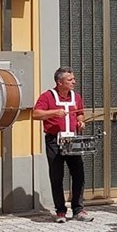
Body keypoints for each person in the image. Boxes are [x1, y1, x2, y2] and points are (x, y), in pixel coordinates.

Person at [32, 67, 93, 223]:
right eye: (70, 79)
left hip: (72, 139)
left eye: (73, 79)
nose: (74, 81)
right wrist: (53, 112)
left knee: (78, 174)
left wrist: (81, 121)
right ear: (60, 82)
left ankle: (78, 209)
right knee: (57, 176)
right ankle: (60, 211)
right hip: (54, 140)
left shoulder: (76, 96)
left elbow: (80, 113)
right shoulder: (47, 96)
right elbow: (36, 114)